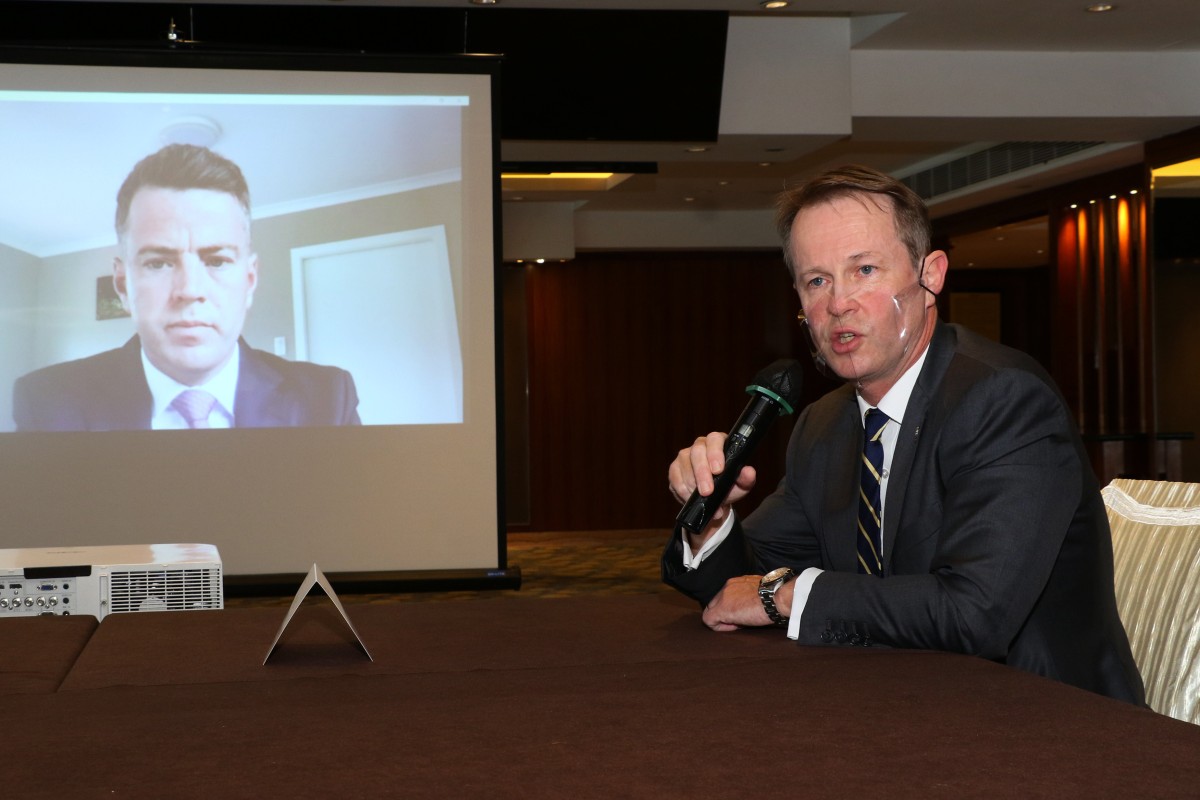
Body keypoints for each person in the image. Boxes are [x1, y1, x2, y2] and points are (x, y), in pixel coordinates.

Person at [663, 164, 1144, 704]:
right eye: (816, 280)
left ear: (930, 274)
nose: (838, 303)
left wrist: (789, 594)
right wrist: (714, 520)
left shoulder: (1004, 399)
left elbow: (974, 615)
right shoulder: (824, 424)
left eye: (864, 269)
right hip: (896, 707)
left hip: (1050, 721)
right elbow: (736, 589)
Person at [13, 144, 360, 431]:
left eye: (217, 261)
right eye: (159, 263)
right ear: (122, 284)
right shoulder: (46, 402)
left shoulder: (328, 401)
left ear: (249, 280)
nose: (190, 290)